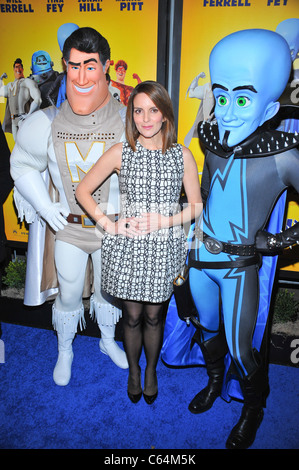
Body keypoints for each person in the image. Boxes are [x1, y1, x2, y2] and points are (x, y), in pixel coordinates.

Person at [163, 29, 299, 449]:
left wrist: (277, 242)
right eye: (221, 98)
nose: (227, 112)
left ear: (271, 107)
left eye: (242, 100)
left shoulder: (284, 155)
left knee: (242, 350)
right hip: (200, 259)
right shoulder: (211, 141)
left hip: (240, 267)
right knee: (206, 330)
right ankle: (214, 381)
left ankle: (253, 408)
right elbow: (203, 195)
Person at [10, 27, 129, 387]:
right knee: (70, 290)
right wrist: (46, 208)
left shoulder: (130, 120)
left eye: (90, 66)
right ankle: (65, 349)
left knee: (110, 290)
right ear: (64, 65)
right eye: (74, 65)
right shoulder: (44, 121)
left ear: (106, 67)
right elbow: (22, 165)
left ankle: (108, 341)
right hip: (71, 228)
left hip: (112, 227)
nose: (81, 76)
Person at [76, 80, 202, 404]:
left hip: (163, 250)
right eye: (138, 111)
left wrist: (165, 220)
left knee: (154, 316)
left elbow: (196, 205)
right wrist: (110, 225)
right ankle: (134, 370)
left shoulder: (182, 155)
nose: (145, 119)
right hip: (128, 249)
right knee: (131, 317)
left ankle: (151, 371)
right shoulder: (121, 152)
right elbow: (82, 191)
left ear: (165, 115)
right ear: (131, 114)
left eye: (153, 110)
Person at [1, 58, 41, 139]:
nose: (18, 69)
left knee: (27, 142)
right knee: (17, 145)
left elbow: (38, 99)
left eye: (19, 67)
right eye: (16, 67)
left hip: (23, 118)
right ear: (13, 69)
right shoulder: (10, 85)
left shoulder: (27, 82)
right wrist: (0, 79)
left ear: (22, 69)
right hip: (13, 121)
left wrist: (29, 115)